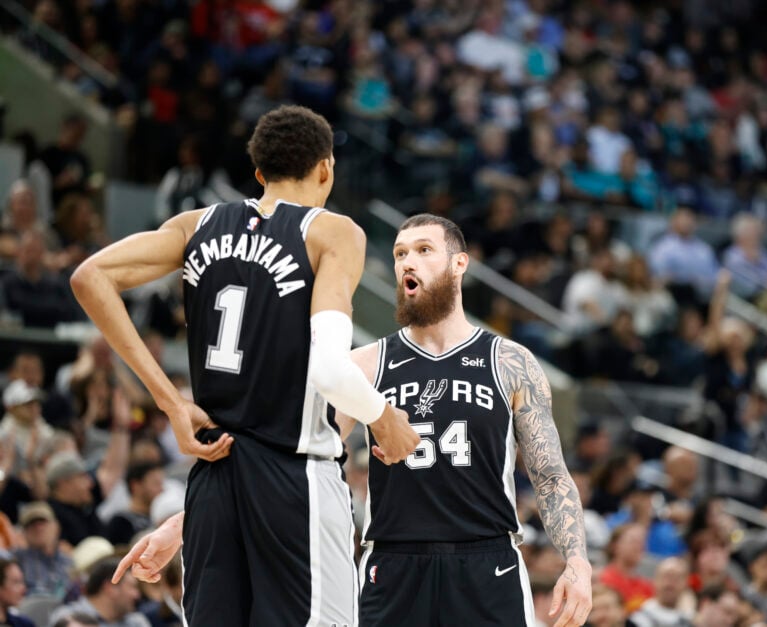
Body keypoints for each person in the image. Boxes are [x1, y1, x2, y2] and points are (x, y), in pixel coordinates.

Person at [115, 214, 593, 626]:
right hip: (392, 564)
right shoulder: (363, 366)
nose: (407, 262)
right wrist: (182, 524)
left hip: (488, 563)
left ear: (459, 263)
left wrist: (577, 561)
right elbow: (282, 459)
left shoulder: (509, 361)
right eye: (400, 253)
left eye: (424, 250)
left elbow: (550, 476)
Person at [70, 105, 418, 626]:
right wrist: (385, 418)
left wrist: (171, 403)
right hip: (295, 477)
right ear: (326, 168)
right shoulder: (331, 232)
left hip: (213, 480)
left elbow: (89, 276)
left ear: (258, 173)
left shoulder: (196, 225)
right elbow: (330, 369)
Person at [48, 557, 148, 627]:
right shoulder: (68, 619)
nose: (137, 595)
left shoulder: (136, 622)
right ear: (110, 588)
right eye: (132, 587)